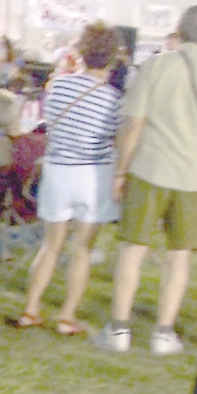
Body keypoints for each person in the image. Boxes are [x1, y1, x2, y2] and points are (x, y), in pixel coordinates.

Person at [100, 6, 197, 356]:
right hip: (193, 177)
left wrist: (120, 171)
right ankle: (163, 333)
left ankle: (119, 329)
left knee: (132, 251)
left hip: (149, 169)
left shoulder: (155, 66)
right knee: (180, 258)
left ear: (178, 31)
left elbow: (132, 124)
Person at [15, 22, 123, 336]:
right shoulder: (113, 99)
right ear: (113, 57)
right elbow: (114, 138)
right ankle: (66, 316)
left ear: (82, 52)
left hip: (59, 170)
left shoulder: (59, 86)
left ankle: (31, 308)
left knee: (50, 246)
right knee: (82, 250)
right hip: (93, 175)